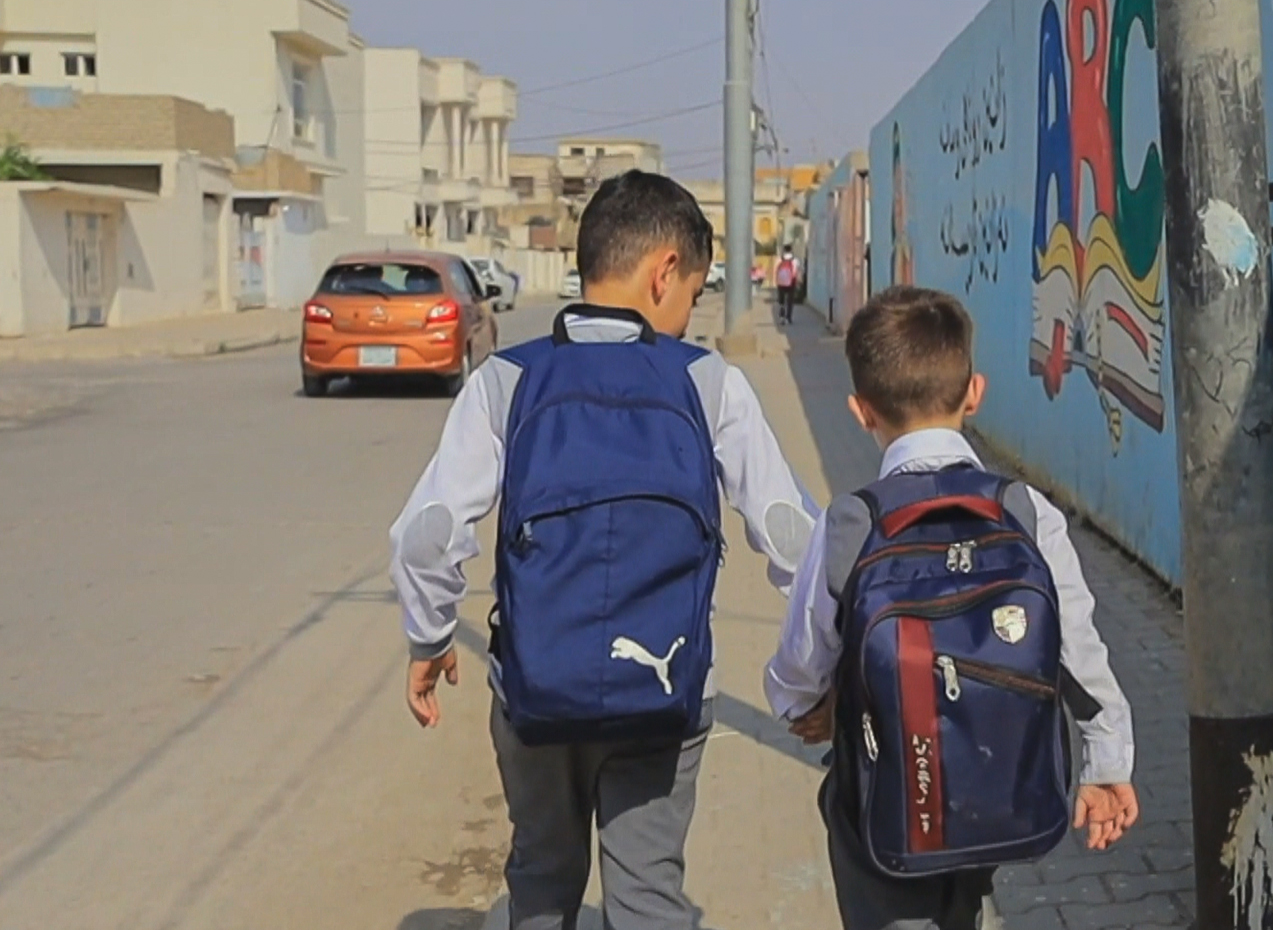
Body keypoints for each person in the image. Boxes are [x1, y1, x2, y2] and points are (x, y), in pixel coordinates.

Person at [391, 169, 819, 930]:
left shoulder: (507, 379)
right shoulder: (708, 381)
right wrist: (829, 660)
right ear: (664, 273)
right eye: (692, 291)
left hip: (533, 686)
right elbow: (790, 533)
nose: (689, 313)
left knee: (542, 880)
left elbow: (427, 535)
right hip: (666, 687)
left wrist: (429, 634)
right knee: (649, 893)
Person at [764, 286, 1139, 930]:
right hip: (1000, 782)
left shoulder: (850, 522)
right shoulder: (1025, 511)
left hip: (888, 793)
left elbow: (802, 664)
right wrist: (1108, 763)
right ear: (975, 392)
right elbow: (1076, 651)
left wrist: (807, 707)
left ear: (860, 412)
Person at [775, 246, 801, 325]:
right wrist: (799, 281)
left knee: (781, 301)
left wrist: (776, 281)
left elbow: (776, 270)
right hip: (791, 282)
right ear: (791, 250)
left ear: (784, 250)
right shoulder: (795, 260)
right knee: (790, 301)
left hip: (781, 282)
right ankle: (788, 318)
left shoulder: (779, 259)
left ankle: (782, 316)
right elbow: (797, 272)